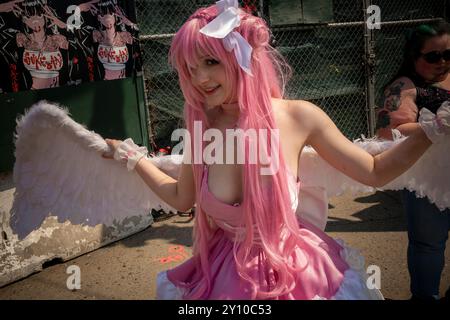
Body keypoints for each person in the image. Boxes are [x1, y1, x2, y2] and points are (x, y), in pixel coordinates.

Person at [103, 1, 449, 299]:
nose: (200, 79)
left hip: (297, 270)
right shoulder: (203, 127)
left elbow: (375, 171)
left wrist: (429, 132)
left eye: (210, 62)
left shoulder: (299, 117)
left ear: (242, 57)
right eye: (191, 68)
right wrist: (133, 159)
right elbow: (181, 198)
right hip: (222, 273)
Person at [376, 22, 450, 301]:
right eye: (433, 56)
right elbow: (389, 132)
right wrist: (438, 128)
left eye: (448, 54)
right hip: (426, 178)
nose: (442, 62)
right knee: (429, 244)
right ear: (413, 56)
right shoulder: (404, 86)